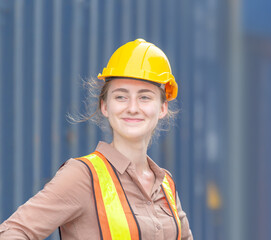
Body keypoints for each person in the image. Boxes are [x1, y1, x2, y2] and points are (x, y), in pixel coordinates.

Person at [0, 39, 193, 240]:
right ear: (105, 106)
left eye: (145, 97)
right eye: (121, 97)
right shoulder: (83, 176)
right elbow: (13, 232)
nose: (133, 107)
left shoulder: (165, 184)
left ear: (162, 108)